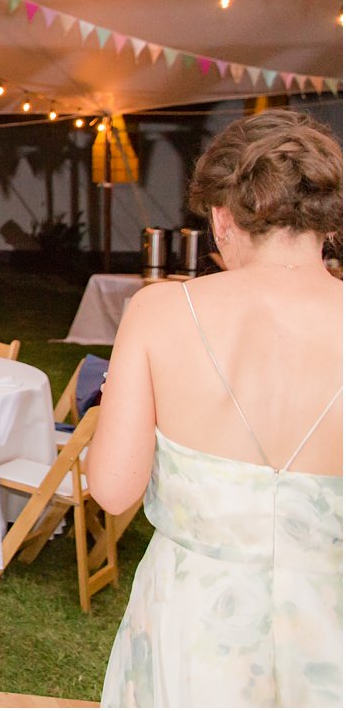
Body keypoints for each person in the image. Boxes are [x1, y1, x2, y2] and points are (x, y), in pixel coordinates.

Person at [89, 110, 342, 707]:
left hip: (196, 622)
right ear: (324, 224)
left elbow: (113, 488)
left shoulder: (160, 311)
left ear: (223, 218)